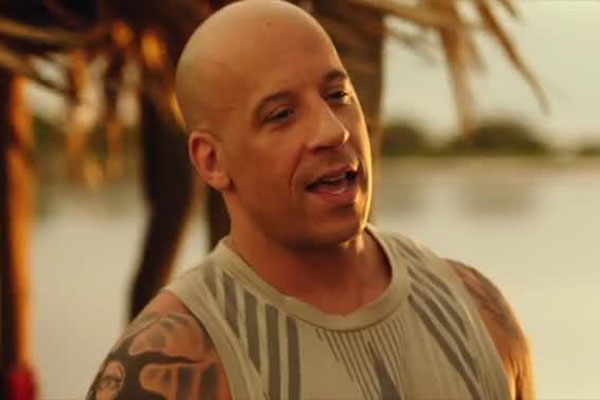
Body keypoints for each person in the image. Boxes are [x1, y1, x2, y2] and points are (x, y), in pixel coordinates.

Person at [86, 1, 534, 399]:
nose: (333, 131)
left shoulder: (477, 314)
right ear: (212, 161)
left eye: (337, 95)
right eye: (282, 114)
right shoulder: (173, 364)